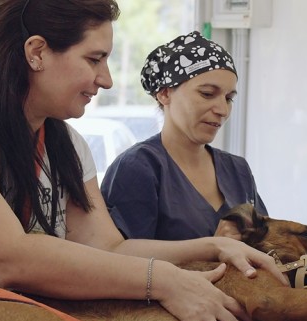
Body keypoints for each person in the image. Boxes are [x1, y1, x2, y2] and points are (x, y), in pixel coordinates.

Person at [0, 0, 287, 321]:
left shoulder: (64, 142)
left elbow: (110, 247)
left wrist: (212, 247)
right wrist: (165, 281)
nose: (105, 79)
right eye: (94, 59)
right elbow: (8, 258)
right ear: (36, 52)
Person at [100, 31, 267, 242]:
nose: (222, 110)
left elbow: (268, 243)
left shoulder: (237, 170)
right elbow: (121, 262)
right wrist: (210, 250)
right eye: (207, 94)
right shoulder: (140, 168)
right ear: (165, 93)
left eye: (229, 98)